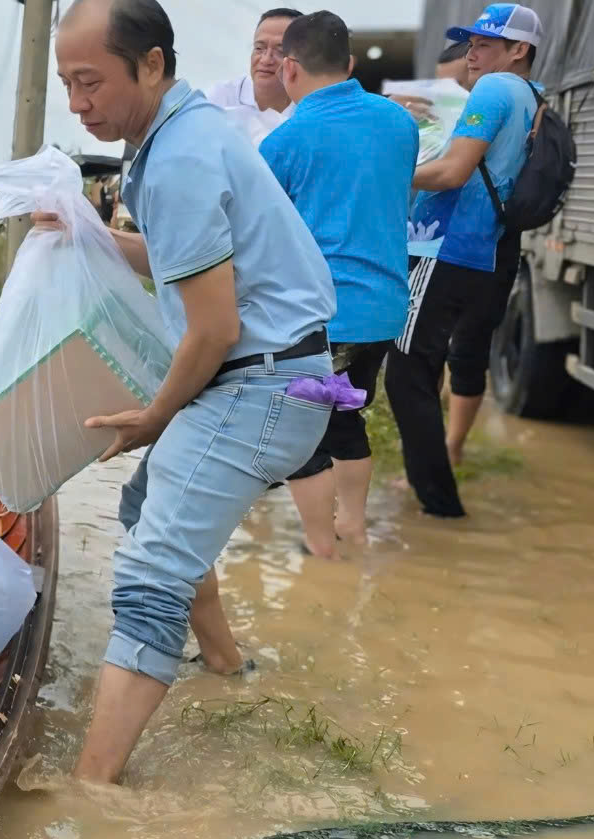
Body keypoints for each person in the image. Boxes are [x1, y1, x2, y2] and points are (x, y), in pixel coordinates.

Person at [46, 0, 336, 784]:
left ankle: (91, 794)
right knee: (147, 512)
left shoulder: (177, 156)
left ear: (150, 64)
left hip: (258, 383)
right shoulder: (185, 134)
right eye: (67, 84)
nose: (77, 103)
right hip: (280, 372)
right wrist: (91, 235)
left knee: (148, 573)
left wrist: (154, 415)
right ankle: (226, 664)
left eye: (90, 82)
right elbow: (186, 260)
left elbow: (212, 328)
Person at [260, 11, 419, 558]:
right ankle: (353, 526)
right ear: (349, 64)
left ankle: (320, 549)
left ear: (289, 68)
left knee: (299, 429)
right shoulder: (399, 123)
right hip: (384, 310)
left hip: (323, 316)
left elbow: (261, 236)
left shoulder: (285, 141)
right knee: (346, 415)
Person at [387, 2, 547, 517]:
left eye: (485, 45)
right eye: (472, 44)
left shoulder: (495, 88)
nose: (472, 54)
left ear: (518, 49)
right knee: (437, 365)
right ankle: (436, 484)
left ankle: (438, 505)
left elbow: (453, 172)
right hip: (488, 253)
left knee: (406, 373)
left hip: (447, 245)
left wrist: (386, 170)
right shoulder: (533, 96)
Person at [202, 7, 304, 144]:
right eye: (259, 48)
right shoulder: (221, 98)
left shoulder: (309, 109)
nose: (266, 60)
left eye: (280, 51)